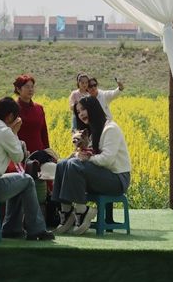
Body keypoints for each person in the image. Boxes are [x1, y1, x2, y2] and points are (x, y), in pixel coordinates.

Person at [0, 97, 54, 241]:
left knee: (18, 180)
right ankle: (36, 230)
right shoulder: (4, 131)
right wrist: (14, 133)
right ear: (10, 116)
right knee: (27, 180)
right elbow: (18, 157)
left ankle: (12, 229)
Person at [52, 96, 131, 235]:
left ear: (94, 108)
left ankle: (82, 210)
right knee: (62, 164)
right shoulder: (93, 130)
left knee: (74, 164)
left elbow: (107, 160)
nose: (81, 114)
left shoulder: (110, 129)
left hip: (117, 180)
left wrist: (87, 158)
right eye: (78, 111)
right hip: (100, 176)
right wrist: (80, 155)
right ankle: (66, 211)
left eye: (84, 109)